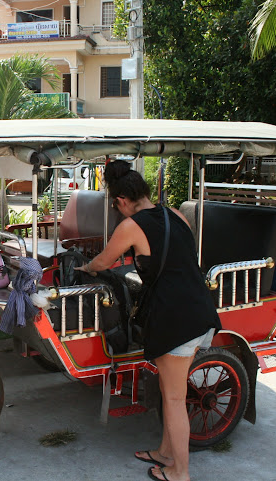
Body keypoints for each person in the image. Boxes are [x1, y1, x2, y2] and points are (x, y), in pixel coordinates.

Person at [76, 160, 220, 481]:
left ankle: (180, 471)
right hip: (199, 310)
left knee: (173, 398)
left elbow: (104, 261)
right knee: (172, 391)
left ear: (122, 201)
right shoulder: (178, 216)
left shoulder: (131, 225)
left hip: (177, 318)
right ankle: (165, 453)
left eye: (117, 206)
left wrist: (85, 269)